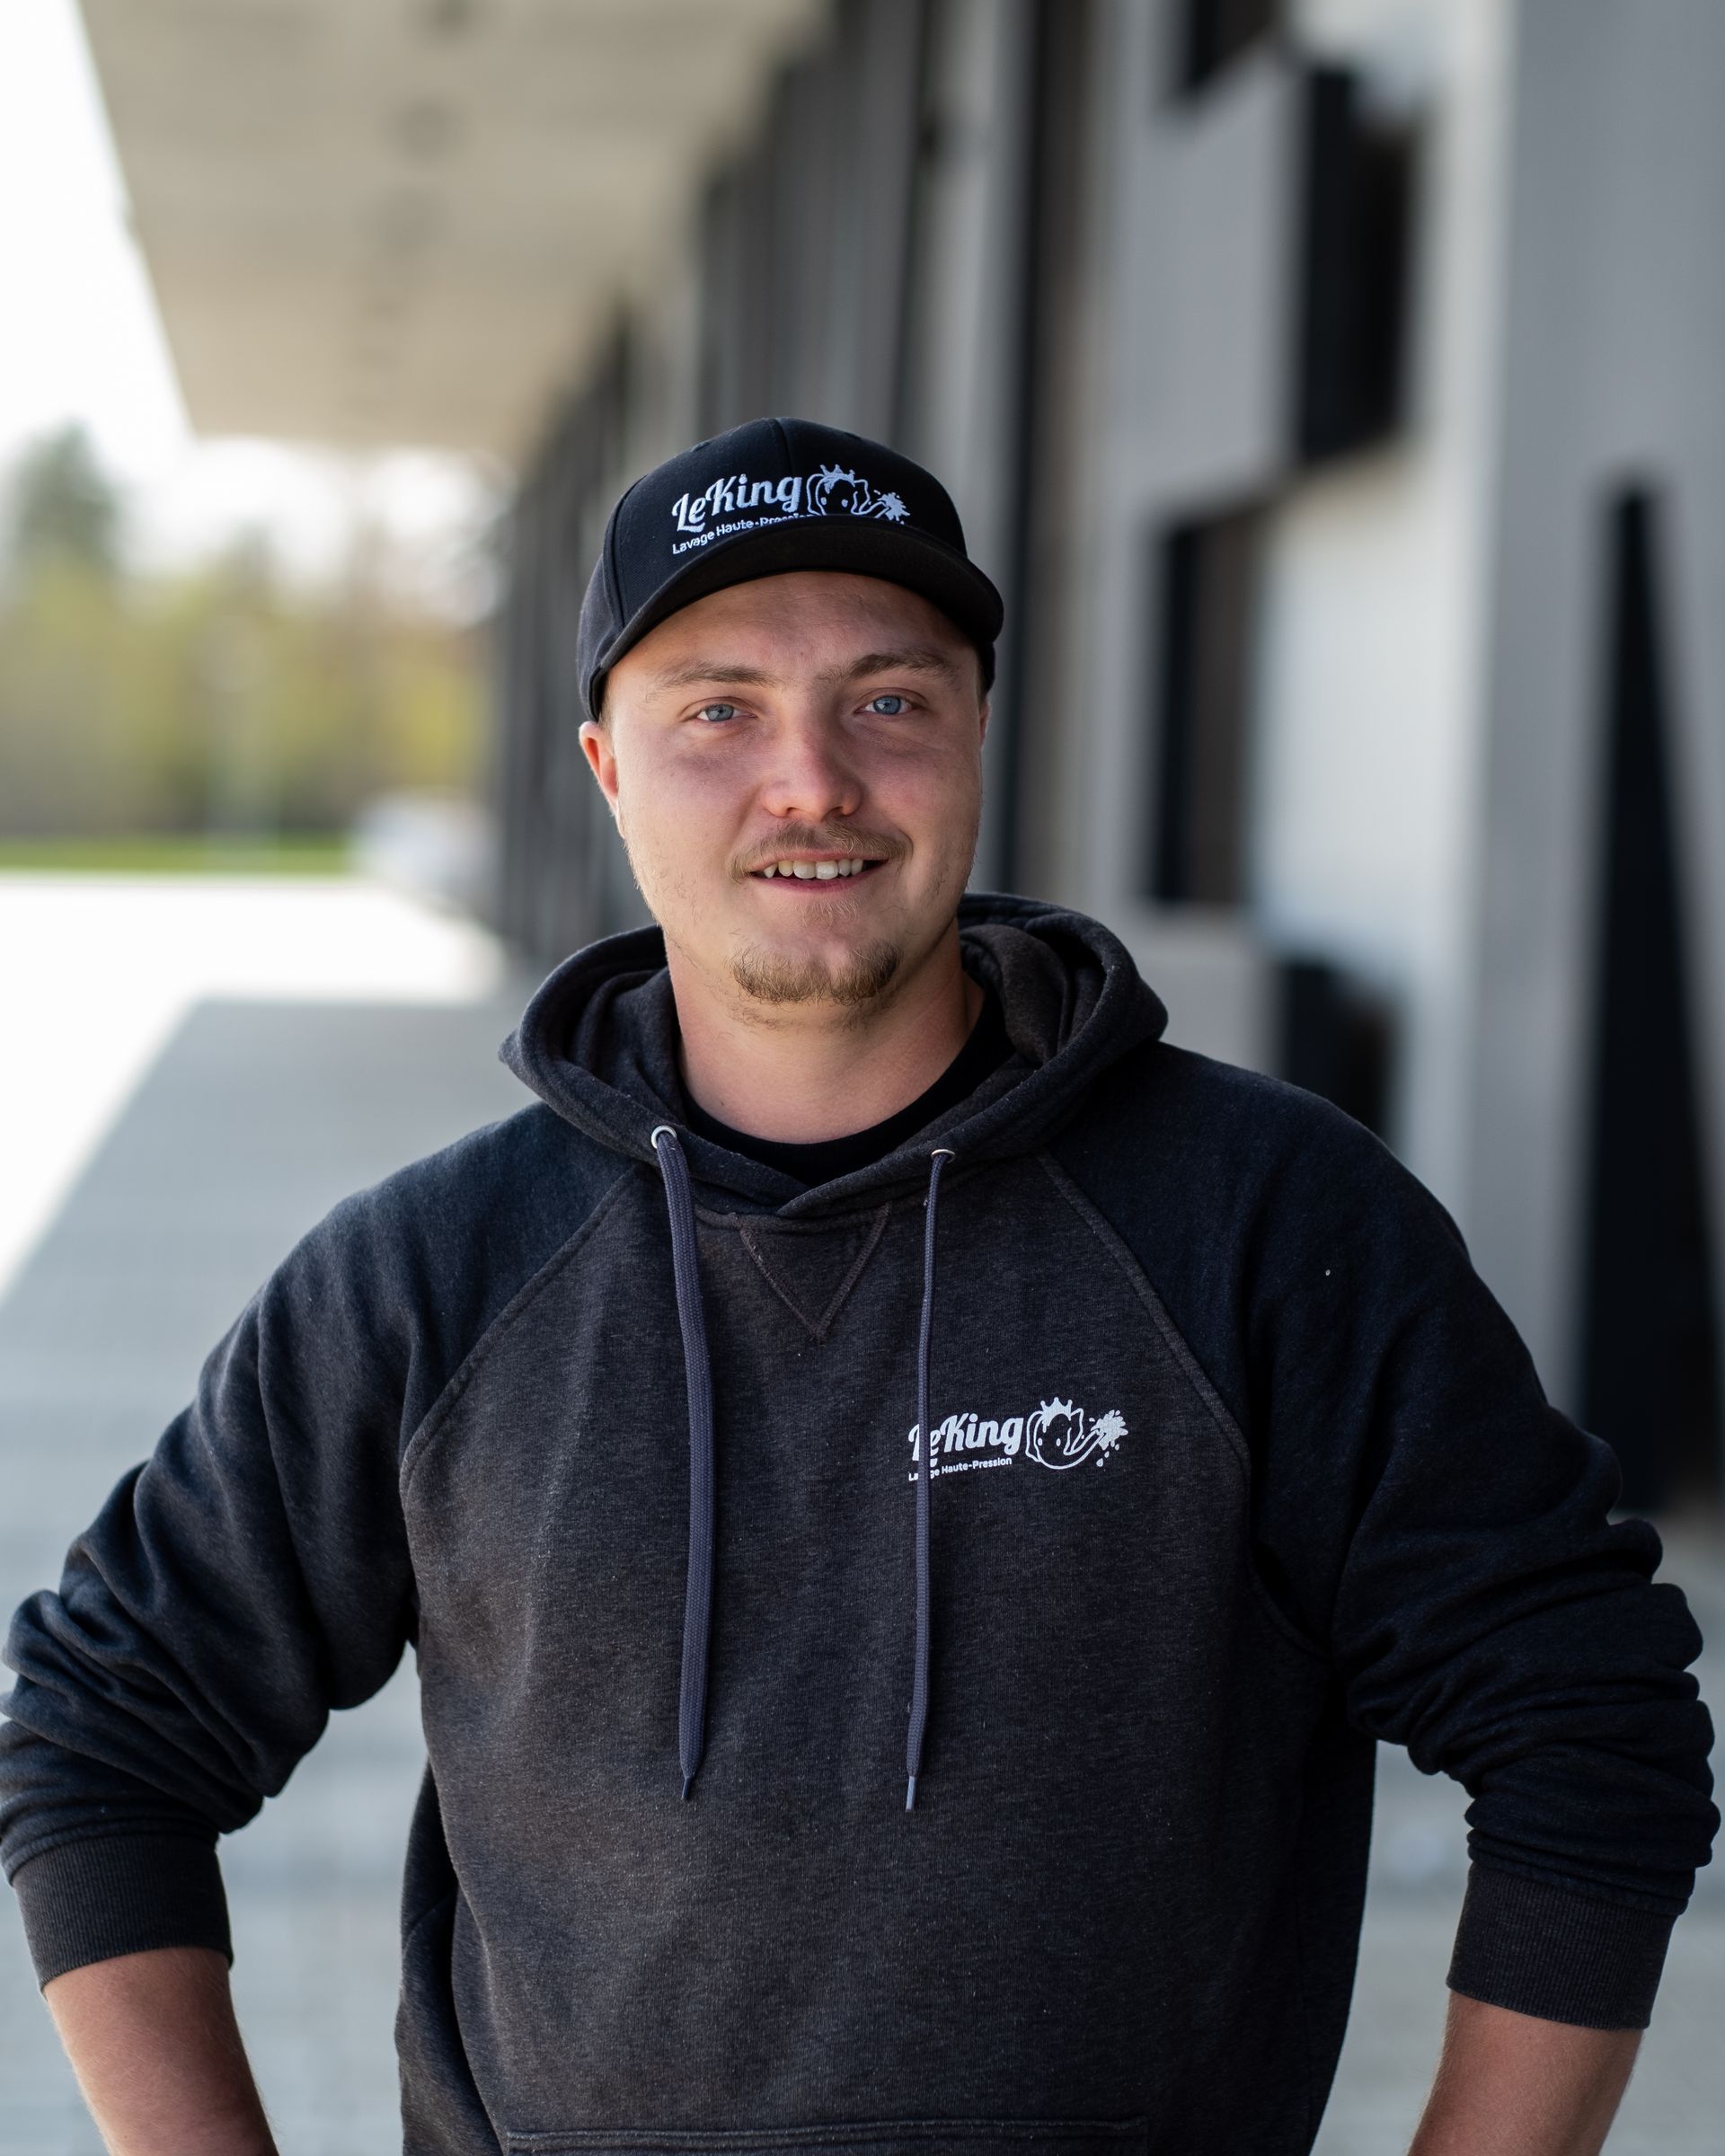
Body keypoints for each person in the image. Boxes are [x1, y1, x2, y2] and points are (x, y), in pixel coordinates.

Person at [0, 417, 1714, 2156]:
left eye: (887, 699)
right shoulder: (429, 1287)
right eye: (719, 709)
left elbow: (1595, 1722)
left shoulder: (1261, 1229)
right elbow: (95, 1738)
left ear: (978, 729)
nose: (809, 779)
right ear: (607, 766)